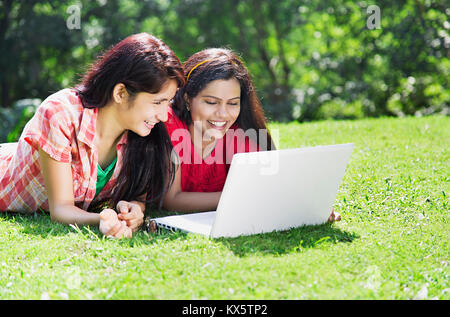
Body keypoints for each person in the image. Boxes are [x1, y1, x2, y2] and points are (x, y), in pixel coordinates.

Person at [0, 33, 184, 238]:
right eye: (157, 102)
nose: (165, 115)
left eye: (168, 102)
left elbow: (136, 195)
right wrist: (103, 219)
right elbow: (61, 209)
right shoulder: (60, 114)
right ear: (121, 93)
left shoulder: (142, 133)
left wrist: (134, 210)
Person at [160, 48, 340, 225]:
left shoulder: (238, 136)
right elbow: (171, 200)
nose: (222, 114)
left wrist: (307, 206)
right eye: (211, 102)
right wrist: (237, 198)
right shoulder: (170, 125)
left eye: (232, 103)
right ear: (187, 99)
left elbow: (271, 184)